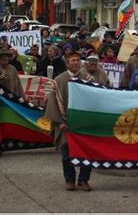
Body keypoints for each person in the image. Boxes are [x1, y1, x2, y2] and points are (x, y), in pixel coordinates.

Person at [46, 52, 94, 191]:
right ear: (67, 63)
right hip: (65, 124)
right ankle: (70, 179)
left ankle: (84, 180)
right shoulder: (59, 80)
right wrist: (59, 122)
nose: (75, 63)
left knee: (86, 153)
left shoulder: (87, 79)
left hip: (83, 125)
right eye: (72, 61)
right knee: (67, 155)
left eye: (78, 61)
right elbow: (52, 103)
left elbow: (94, 99)